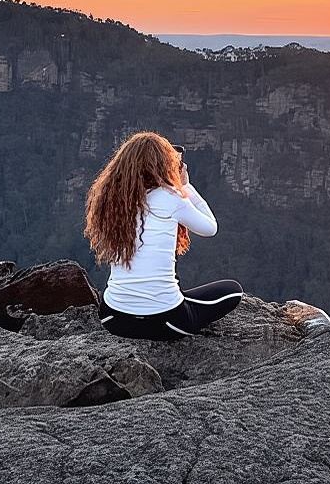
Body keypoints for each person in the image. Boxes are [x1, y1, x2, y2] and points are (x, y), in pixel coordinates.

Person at [84, 132, 242, 340]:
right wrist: (185, 186)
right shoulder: (170, 197)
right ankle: (163, 299)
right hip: (166, 322)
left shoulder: (111, 200)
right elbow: (210, 228)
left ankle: (162, 298)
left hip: (114, 319)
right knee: (233, 291)